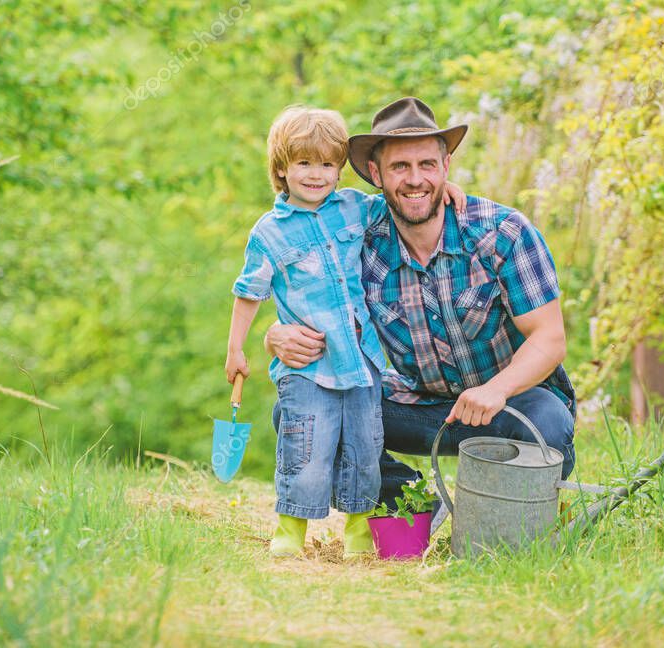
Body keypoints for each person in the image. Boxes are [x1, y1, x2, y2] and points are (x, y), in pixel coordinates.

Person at [265, 97, 576, 509]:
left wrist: (495, 390)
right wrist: (276, 334)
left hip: (509, 403)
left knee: (548, 420)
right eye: (400, 167)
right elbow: (306, 287)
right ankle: (417, 504)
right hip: (420, 404)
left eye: (427, 164)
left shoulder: (502, 232)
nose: (415, 180)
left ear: (446, 166)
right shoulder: (358, 241)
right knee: (298, 410)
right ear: (376, 174)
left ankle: (508, 519)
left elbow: (549, 339)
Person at [225, 105, 465, 557]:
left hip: (361, 360)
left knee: (364, 449)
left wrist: (441, 190)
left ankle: (358, 532)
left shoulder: (355, 209)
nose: (316, 174)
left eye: (326, 164)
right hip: (310, 364)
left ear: (339, 169)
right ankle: (290, 531)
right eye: (304, 163)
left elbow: (406, 201)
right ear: (281, 168)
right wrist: (237, 348)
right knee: (305, 449)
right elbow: (249, 292)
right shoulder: (270, 233)